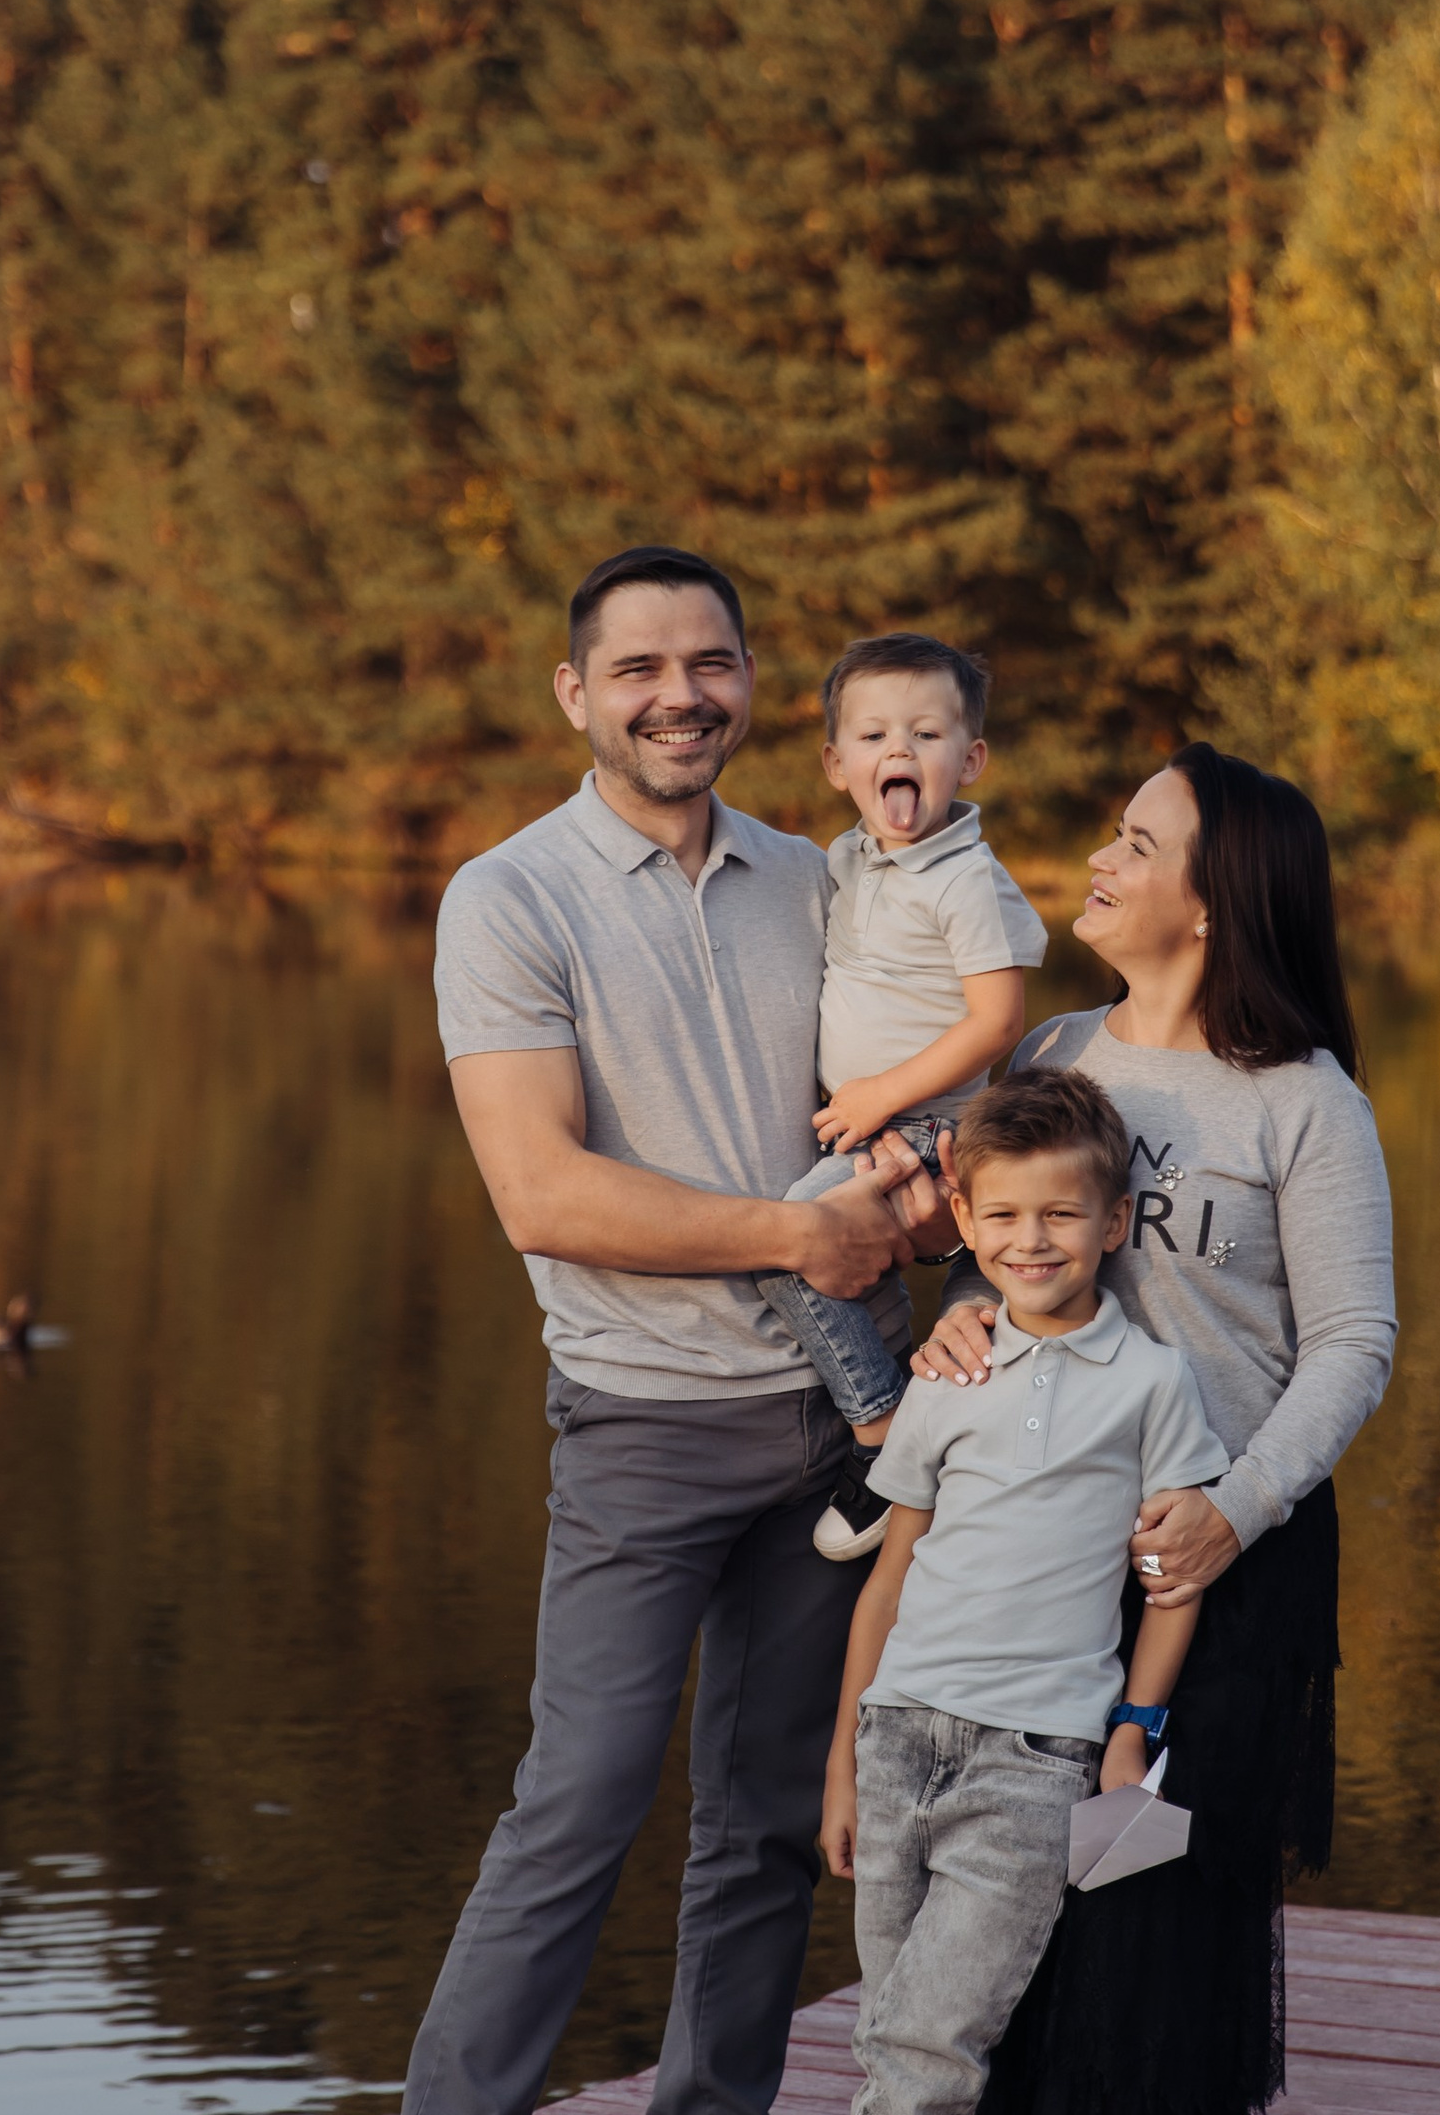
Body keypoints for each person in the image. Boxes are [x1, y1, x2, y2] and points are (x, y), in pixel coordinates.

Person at [407, 546, 958, 2115]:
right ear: (575, 693)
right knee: (575, 1806)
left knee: (770, 1818)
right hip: (643, 1428)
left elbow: (907, 1101)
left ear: (751, 683)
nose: (679, 695)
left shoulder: (818, 876)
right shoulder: (509, 898)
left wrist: (920, 1200)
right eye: (639, 669)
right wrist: (803, 1235)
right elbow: (541, 1192)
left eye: (708, 663)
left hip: (845, 1433)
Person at [911, 746, 1397, 2115]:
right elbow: (994, 1243)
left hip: (1219, 1582)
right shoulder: (1056, 1051)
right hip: (1035, 1568)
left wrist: (1233, 1513)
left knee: (1154, 1928)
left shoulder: (1303, 1100)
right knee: (1017, 1924)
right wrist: (955, 1313)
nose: (1100, 859)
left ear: (1214, 901)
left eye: (1137, 842)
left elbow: (1355, 1344)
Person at [819, 1067, 1230, 2115]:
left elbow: (1169, 1582)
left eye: (1060, 1213)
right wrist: (842, 1760)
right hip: (897, 1737)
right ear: (961, 1214)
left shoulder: (1152, 1384)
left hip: (1034, 1761)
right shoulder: (945, 1376)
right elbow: (889, 1575)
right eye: (1000, 1214)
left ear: (1113, 1220)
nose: (1030, 1240)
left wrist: (1133, 1727)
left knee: (926, 2045)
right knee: (890, 2037)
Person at [754, 632, 1048, 1561]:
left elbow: (997, 1020)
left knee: (790, 1238)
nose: (899, 752)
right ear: (838, 766)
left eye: (925, 735)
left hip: (932, 1123)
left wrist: (880, 1092)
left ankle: (883, 1432)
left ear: (970, 760)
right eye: (874, 736)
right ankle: (908, 1414)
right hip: (874, 1122)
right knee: (796, 1239)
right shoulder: (845, 859)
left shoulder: (967, 878)